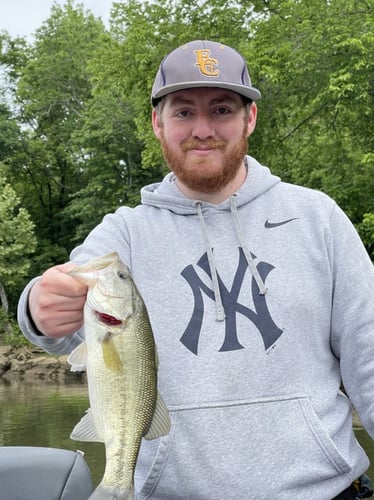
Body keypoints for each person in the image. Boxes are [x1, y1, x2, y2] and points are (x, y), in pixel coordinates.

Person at [18, 40, 374, 499]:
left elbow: (369, 353)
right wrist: (38, 306)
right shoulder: (123, 234)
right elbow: (61, 320)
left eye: (221, 109)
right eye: (183, 112)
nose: (202, 129)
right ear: (157, 124)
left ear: (250, 118)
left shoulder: (317, 218)